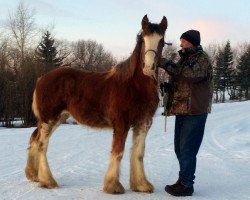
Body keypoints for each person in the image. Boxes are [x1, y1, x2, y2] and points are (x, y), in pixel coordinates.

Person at [160, 29, 213, 196]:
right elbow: (182, 79)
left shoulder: (202, 58)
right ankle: (183, 179)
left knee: (188, 149)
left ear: (191, 42)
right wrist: (170, 87)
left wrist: (166, 64)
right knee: (179, 148)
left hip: (195, 111)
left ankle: (186, 184)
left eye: (183, 41)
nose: (181, 43)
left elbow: (191, 75)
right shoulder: (184, 59)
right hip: (182, 109)